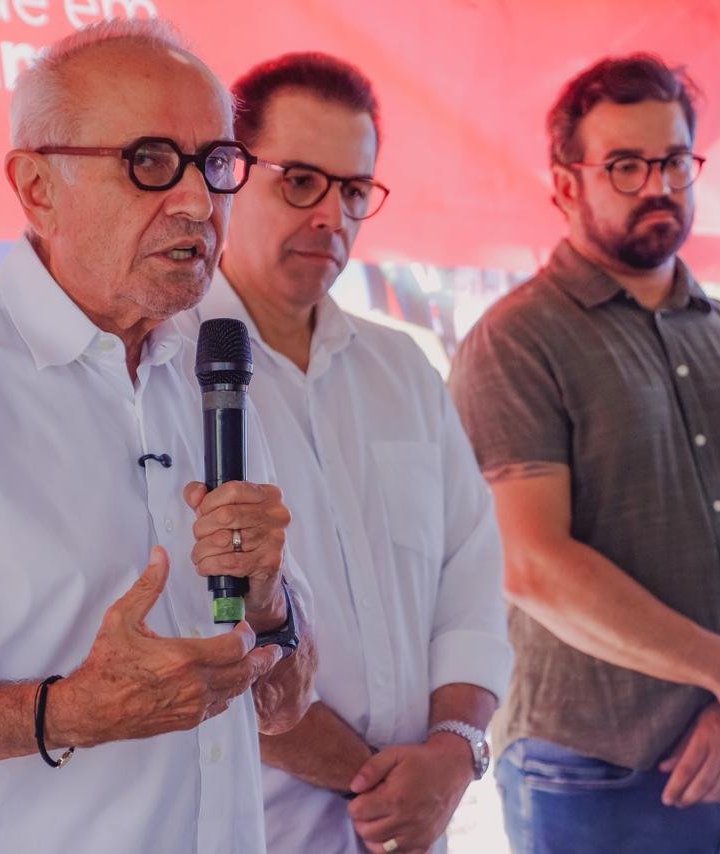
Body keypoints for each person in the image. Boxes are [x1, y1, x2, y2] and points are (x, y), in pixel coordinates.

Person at [0, 19, 316, 853]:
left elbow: (284, 708)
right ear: (38, 187)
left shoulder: (216, 370)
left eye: (215, 163)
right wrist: (68, 711)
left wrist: (269, 604)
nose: (198, 202)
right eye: (149, 161)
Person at [449, 54, 720, 853]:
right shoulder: (516, 343)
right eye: (625, 164)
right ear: (566, 184)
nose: (658, 184)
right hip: (590, 772)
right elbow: (531, 562)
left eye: (675, 161)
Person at [180, 53, 510, 854]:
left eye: (354, 190)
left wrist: (452, 752)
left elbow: (470, 579)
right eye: (301, 181)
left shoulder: (403, 369)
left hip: (417, 826)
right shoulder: (164, 367)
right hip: (255, 829)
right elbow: (188, 633)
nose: (332, 215)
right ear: (228, 176)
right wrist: (387, 788)